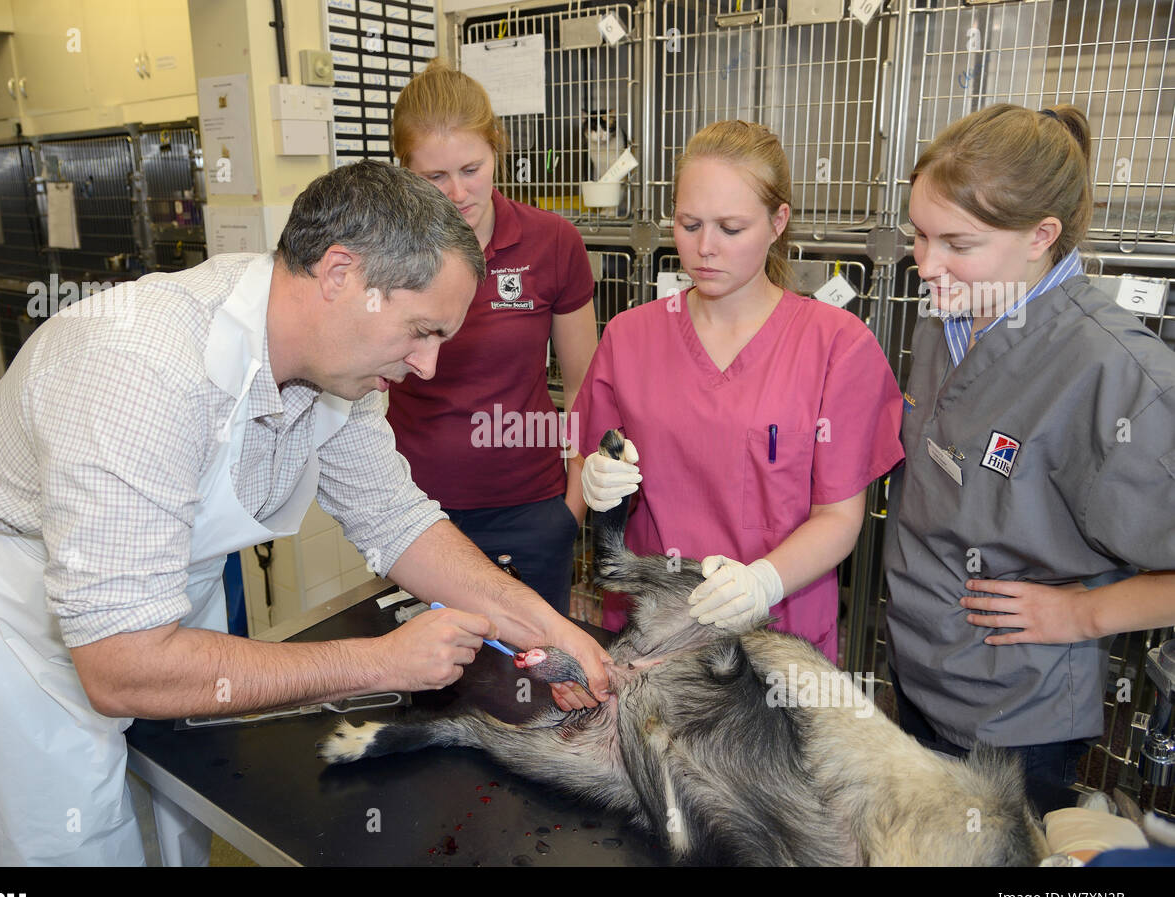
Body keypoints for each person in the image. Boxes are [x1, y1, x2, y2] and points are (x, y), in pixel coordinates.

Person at [0, 160, 611, 867]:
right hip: (9, 616)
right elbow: (121, 665)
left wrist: (542, 624)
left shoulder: (339, 373)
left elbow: (397, 520)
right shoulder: (139, 368)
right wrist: (379, 662)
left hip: (152, 600)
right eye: (422, 331)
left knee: (170, 815)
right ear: (339, 275)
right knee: (67, 844)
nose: (427, 366)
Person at [882, 103, 1175, 813]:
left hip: (1014, 719)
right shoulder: (949, 312)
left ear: (1042, 236)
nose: (926, 266)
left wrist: (1085, 616)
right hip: (921, 670)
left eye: (958, 242)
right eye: (918, 236)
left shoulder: (1118, 375)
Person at [572, 121, 904, 662]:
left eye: (731, 228)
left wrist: (765, 581)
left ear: (778, 223)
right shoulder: (630, 337)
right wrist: (600, 481)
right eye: (689, 224)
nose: (705, 249)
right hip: (655, 628)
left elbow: (840, 517)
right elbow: (600, 455)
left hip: (779, 636)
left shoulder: (836, 346)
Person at [386, 60, 598, 616]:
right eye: (434, 177)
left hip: (528, 508)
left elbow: (584, 388)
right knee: (430, 685)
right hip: (414, 511)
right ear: (405, 173)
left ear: (497, 151)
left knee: (531, 686)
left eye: (471, 168)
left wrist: (570, 508)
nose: (457, 192)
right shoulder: (382, 255)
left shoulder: (553, 243)